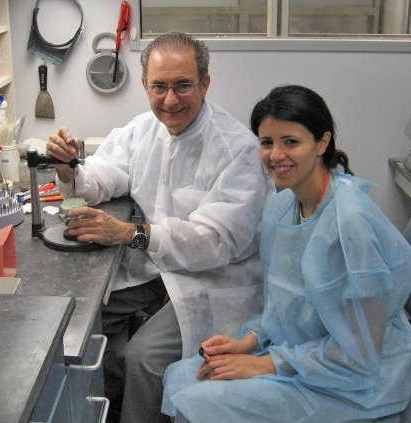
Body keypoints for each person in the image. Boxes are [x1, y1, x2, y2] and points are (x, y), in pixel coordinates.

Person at [46, 32, 274, 423]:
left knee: (143, 357)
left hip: (213, 280)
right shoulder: (143, 129)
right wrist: (69, 167)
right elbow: (105, 175)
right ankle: (103, 401)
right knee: (81, 314)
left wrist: (128, 233)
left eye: (184, 85)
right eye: (160, 87)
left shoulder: (236, 148)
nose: (170, 100)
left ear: (205, 83)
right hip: (158, 268)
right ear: (144, 86)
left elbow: (215, 241)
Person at [162, 84, 411, 423]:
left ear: (322, 142)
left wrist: (265, 364)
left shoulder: (351, 221)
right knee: (181, 375)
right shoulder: (280, 207)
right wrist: (250, 341)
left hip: (356, 378)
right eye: (266, 142)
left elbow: (359, 353)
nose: (276, 155)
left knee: (205, 401)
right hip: (301, 352)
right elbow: (283, 306)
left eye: (291, 142)